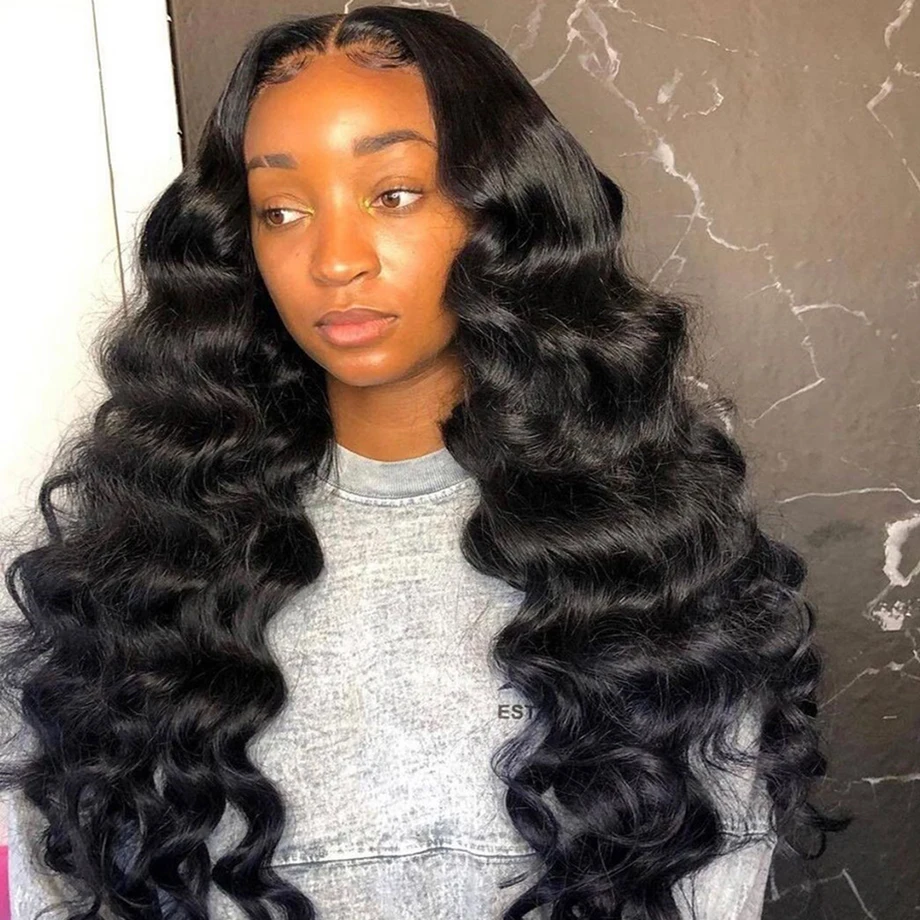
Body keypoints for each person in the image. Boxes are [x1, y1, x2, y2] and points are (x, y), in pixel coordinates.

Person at [0, 7, 850, 920]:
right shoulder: (128, 577)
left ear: (499, 210)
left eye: (394, 195)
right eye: (281, 211)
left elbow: (710, 879)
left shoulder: (657, 565)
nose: (335, 260)